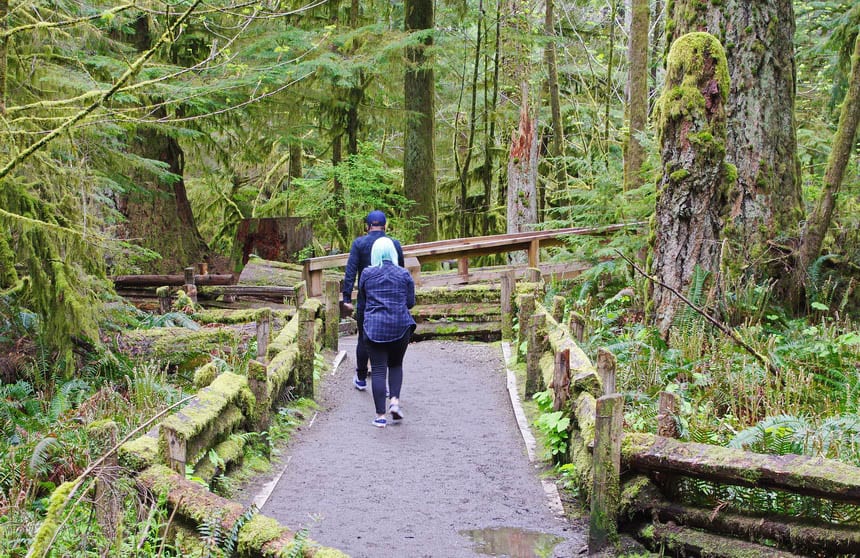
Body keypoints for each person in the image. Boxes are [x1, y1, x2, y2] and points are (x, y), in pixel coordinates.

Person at [342, 210, 405, 391]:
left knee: (364, 338)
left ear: (367, 226)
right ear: (385, 226)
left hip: (366, 300)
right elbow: (401, 271)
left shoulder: (359, 244)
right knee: (389, 341)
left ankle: (361, 378)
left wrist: (347, 297)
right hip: (391, 300)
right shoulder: (394, 244)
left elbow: (351, 271)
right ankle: (384, 385)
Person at [358, 236, 416, 428]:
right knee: (396, 365)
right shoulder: (404, 274)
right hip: (400, 327)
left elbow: (363, 301)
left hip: (374, 328)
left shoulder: (367, 274)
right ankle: (395, 402)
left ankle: (380, 416)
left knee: (379, 370)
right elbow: (410, 303)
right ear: (393, 253)